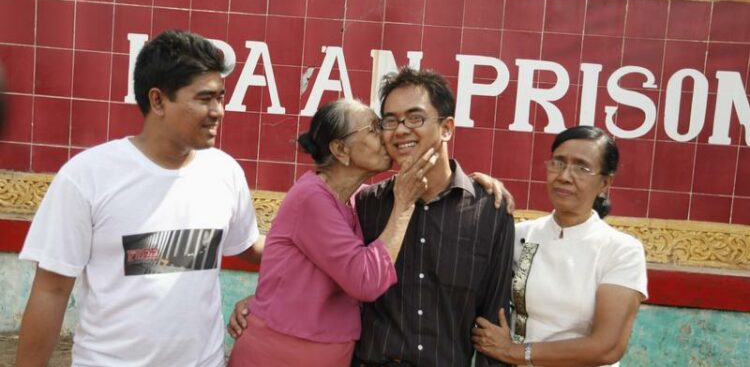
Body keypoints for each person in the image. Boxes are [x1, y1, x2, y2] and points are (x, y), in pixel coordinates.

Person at [16, 30, 264, 367]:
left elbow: (251, 249)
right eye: (205, 98)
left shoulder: (224, 172)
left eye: (220, 97)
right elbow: (52, 290)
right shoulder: (88, 176)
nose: (218, 111)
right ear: (158, 100)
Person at [226, 98, 438, 367]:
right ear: (340, 149)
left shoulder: (354, 198)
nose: (386, 136)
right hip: (279, 354)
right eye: (374, 129)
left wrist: (477, 185)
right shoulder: (311, 198)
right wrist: (404, 206)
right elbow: (366, 280)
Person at [350, 67, 515, 367]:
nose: (400, 130)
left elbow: (493, 321)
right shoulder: (366, 204)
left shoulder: (489, 211)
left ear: (447, 128)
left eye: (415, 118)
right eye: (390, 121)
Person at [471, 126, 648, 367]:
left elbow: (607, 346)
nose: (564, 176)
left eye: (581, 167)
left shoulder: (621, 250)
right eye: (558, 163)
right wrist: (472, 189)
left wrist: (516, 352)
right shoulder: (521, 235)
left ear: (605, 183)